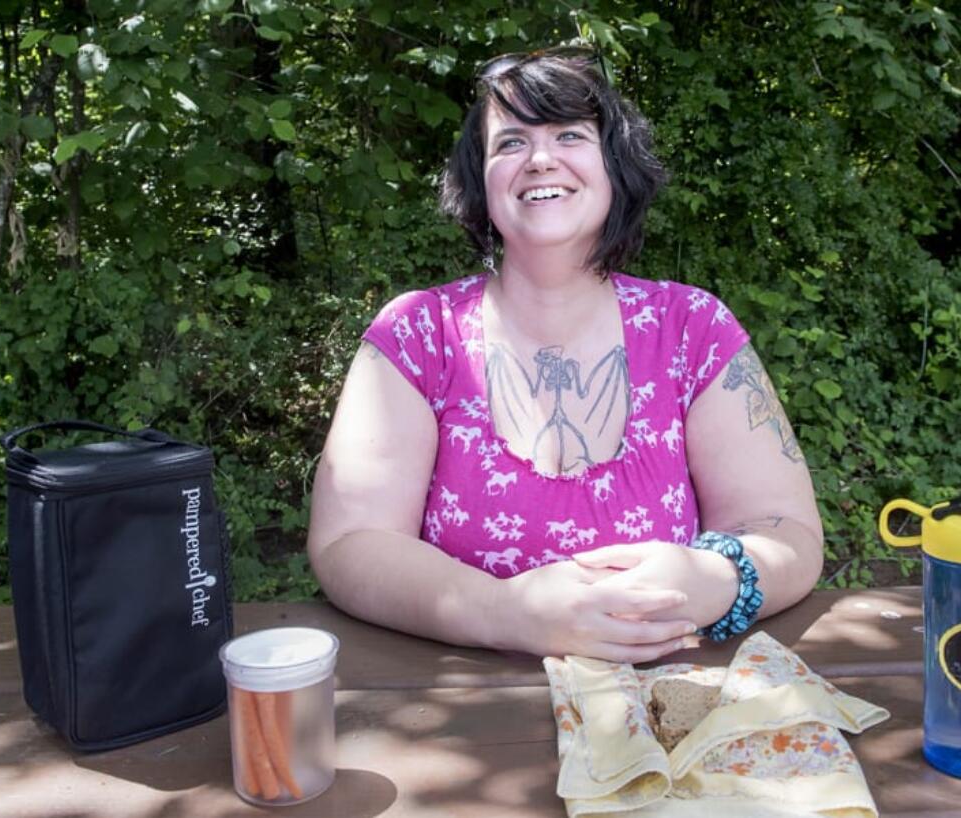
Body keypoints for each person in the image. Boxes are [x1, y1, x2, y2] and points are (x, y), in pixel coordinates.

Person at [307, 48, 823, 663]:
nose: (541, 158)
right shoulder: (420, 334)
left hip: (666, 716)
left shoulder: (693, 330)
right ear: (481, 180)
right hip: (470, 720)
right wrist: (507, 613)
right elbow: (350, 542)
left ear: (615, 166)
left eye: (571, 134)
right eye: (511, 143)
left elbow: (786, 531)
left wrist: (713, 579)